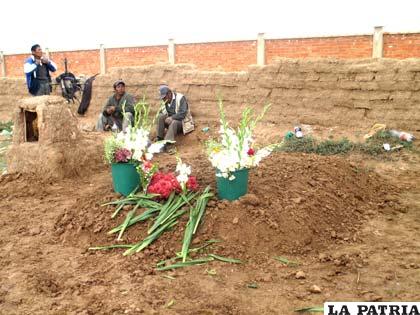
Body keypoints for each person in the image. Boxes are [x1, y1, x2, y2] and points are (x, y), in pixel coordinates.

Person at [156, 85, 194, 152]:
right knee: (160, 117)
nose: (163, 99)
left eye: (164, 97)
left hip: (183, 123)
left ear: (169, 93)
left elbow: (183, 113)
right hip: (170, 122)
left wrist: (172, 118)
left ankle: (169, 144)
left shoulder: (180, 98)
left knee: (174, 122)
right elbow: (161, 113)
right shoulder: (164, 101)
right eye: (162, 98)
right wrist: (166, 118)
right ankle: (160, 140)